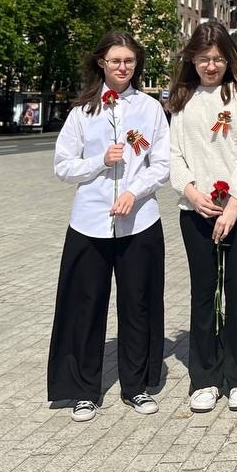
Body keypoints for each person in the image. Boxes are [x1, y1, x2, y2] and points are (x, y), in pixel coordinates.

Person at [48, 31, 169, 423]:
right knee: (85, 306)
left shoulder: (150, 108)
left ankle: (136, 386)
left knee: (139, 304)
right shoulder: (83, 111)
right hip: (90, 222)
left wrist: (134, 192)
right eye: (116, 60)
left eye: (129, 61)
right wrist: (99, 161)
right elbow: (63, 166)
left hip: (140, 221)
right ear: (101, 62)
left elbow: (162, 164)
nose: (122, 67)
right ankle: (84, 391)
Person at [168, 21, 237, 414]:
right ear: (191, 60)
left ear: (229, 59)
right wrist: (191, 193)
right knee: (204, 291)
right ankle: (205, 377)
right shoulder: (183, 99)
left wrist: (234, 203)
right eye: (203, 59)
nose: (211, 66)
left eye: (218, 59)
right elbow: (174, 154)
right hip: (196, 209)